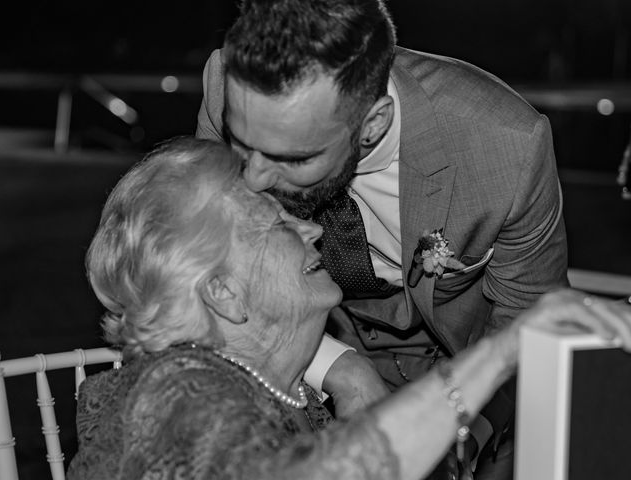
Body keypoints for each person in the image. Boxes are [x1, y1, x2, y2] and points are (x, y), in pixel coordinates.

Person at [67, 137, 631, 480]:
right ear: (223, 293)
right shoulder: (173, 395)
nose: (311, 227)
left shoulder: (283, 392)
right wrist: (501, 354)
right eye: (278, 225)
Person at [195, 1, 568, 476]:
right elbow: (209, 261)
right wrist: (341, 370)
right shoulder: (226, 84)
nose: (252, 180)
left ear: (372, 126)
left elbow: (529, 323)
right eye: (242, 145)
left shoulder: (507, 147)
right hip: (299, 366)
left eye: (293, 159)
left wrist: (456, 433)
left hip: (469, 380)